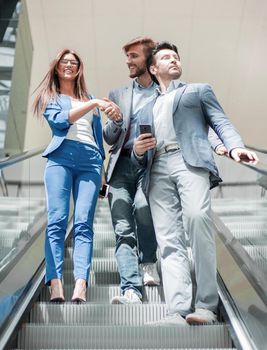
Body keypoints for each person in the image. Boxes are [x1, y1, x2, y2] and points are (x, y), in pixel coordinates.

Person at [133, 41, 258, 324]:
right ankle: (177, 310)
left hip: (189, 162)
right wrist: (139, 151)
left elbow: (220, 122)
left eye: (176, 57)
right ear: (153, 68)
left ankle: (205, 306)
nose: (174, 60)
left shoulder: (198, 90)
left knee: (198, 219)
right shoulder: (145, 107)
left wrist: (235, 147)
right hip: (158, 167)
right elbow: (138, 152)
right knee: (168, 242)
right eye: (166, 57)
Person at [33, 49, 120, 303]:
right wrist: (93, 104)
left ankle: (81, 284)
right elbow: (60, 122)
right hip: (61, 157)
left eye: (74, 62)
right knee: (58, 221)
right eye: (65, 62)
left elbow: (96, 137)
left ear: (79, 69)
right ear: (57, 68)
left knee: (84, 223)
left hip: (91, 161)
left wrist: (103, 170)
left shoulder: (89, 97)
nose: (69, 65)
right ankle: (55, 283)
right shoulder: (50, 97)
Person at [103, 37, 160, 305]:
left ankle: (148, 260)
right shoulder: (119, 94)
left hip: (151, 165)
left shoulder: (166, 93)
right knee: (123, 228)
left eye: (134, 56)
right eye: (127, 56)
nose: (128, 61)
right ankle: (130, 290)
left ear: (149, 60)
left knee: (143, 208)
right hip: (119, 166)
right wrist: (115, 121)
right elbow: (109, 137)